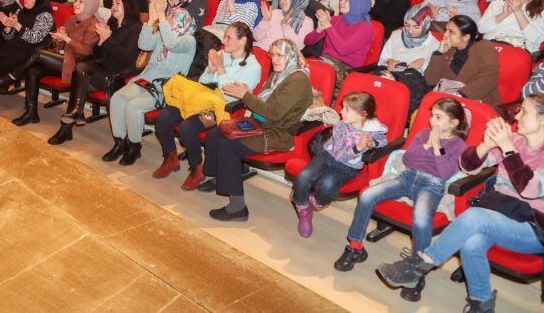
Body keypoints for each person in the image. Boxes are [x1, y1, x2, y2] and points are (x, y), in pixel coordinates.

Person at [376, 94, 544, 313]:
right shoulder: (516, 140)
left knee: (475, 216)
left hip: (536, 230)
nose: (517, 115)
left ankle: (421, 263)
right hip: (501, 216)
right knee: (472, 243)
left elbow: (529, 188)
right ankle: (482, 303)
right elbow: (468, 166)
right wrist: (485, 145)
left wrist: (508, 148)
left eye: (524, 111)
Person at [335, 97, 468, 303]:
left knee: (422, 219)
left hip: (432, 185)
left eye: (439, 117)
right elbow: (408, 159)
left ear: (454, 122)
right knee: (367, 195)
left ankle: (415, 274)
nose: (432, 121)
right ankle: (355, 247)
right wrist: (426, 146)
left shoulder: (458, 145)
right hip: (407, 177)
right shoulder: (423, 134)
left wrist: (435, 147)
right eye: (432, 115)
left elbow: (444, 172)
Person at [200, 39, 313, 221]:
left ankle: (238, 208)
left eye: (279, 55)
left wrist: (245, 96)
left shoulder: (297, 80)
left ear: (290, 56)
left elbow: (274, 113)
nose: (274, 59)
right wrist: (248, 95)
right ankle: (220, 176)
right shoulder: (280, 74)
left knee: (228, 145)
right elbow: (265, 104)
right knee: (216, 133)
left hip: (278, 133)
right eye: (272, 55)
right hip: (261, 123)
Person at [153, 22, 262, 190]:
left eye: (228, 37)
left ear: (242, 41)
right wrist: (211, 70)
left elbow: (229, 96)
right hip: (203, 99)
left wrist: (219, 69)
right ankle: (170, 157)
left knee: (187, 127)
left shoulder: (253, 67)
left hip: (222, 109)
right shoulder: (222, 54)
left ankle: (197, 167)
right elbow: (204, 82)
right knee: (163, 118)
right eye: (224, 36)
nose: (224, 41)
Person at [102, 0, 196, 166]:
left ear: (183, 21)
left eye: (172, 16)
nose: (168, 18)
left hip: (165, 86)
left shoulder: (188, 40)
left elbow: (171, 43)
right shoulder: (163, 32)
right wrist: (151, 20)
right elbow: (143, 44)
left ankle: (134, 147)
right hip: (147, 78)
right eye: (168, 15)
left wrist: (160, 17)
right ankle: (120, 143)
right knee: (117, 98)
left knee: (133, 106)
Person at [48, 0, 143, 145]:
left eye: (118, 3)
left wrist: (108, 39)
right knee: (80, 68)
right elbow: (99, 54)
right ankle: (73, 117)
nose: (113, 6)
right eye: (112, 3)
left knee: (79, 80)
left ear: (128, 7)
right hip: (103, 69)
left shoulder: (136, 29)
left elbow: (126, 59)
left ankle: (68, 125)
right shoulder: (111, 25)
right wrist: (102, 41)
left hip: (116, 76)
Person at [292, 92, 388, 238]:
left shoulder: (374, 129)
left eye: (347, 109)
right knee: (303, 178)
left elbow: (383, 140)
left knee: (327, 185)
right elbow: (339, 154)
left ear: (362, 114)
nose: (341, 111)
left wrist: (373, 143)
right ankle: (303, 208)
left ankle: (312, 202)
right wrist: (358, 148)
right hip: (328, 155)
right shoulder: (341, 126)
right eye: (343, 107)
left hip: (347, 167)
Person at [12, 0, 101, 127]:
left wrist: (66, 38)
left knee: (38, 52)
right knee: (33, 71)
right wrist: (58, 40)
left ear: (90, 5)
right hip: (64, 59)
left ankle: (12, 76)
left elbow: (86, 51)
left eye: (81, 2)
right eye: (76, 0)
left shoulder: (94, 25)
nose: (76, 4)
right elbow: (59, 46)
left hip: (76, 66)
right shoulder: (72, 19)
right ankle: (31, 114)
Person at [0, 0, 54, 101]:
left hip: (31, 53)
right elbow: (8, 37)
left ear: (40, 0)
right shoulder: (21, 11)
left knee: (1, 68)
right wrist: (8, 28)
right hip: (15, 47)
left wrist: (17, 25)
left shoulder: (45, 16)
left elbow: (34, 38)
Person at [423, 15, 500, 106]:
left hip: (475, 101)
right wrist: (439, 53)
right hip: (447, 99)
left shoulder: (484, 47)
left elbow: (488, 80)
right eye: (446, 30)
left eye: (451, 32)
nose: (445, 35)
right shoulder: (449, 49)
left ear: (466, 37)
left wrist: (460, 95)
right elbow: (430, 80)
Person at [305, 0, 375, 74]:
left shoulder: (365, 29)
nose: (341, 2)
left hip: (345, 69)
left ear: (358, 3)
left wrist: (328, 25)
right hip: (325, 62)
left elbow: (343, 50)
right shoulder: (336, 19)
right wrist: (318, 30)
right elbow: (307, 42)